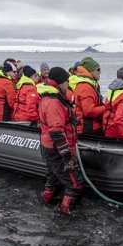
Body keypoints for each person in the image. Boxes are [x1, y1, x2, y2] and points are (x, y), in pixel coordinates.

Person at [37, 67, 84, 214]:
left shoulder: (48, 97)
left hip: (48, 147)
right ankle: (65, 213)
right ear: (58, 84)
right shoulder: (54, 102)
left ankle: (44, 203)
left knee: (53, 179)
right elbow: (56, 131)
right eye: (66, 82)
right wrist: (67, 157)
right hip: (56, 149)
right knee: (75, 185)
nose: (68, 85)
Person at [74, 57, 106, 135]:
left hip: (87, 126)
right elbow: (89, 111)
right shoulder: (85, 87)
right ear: (90, 71)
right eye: (98, 70)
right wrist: (106, 107)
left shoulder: (85, 84)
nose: (100, 72)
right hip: (88, 129)